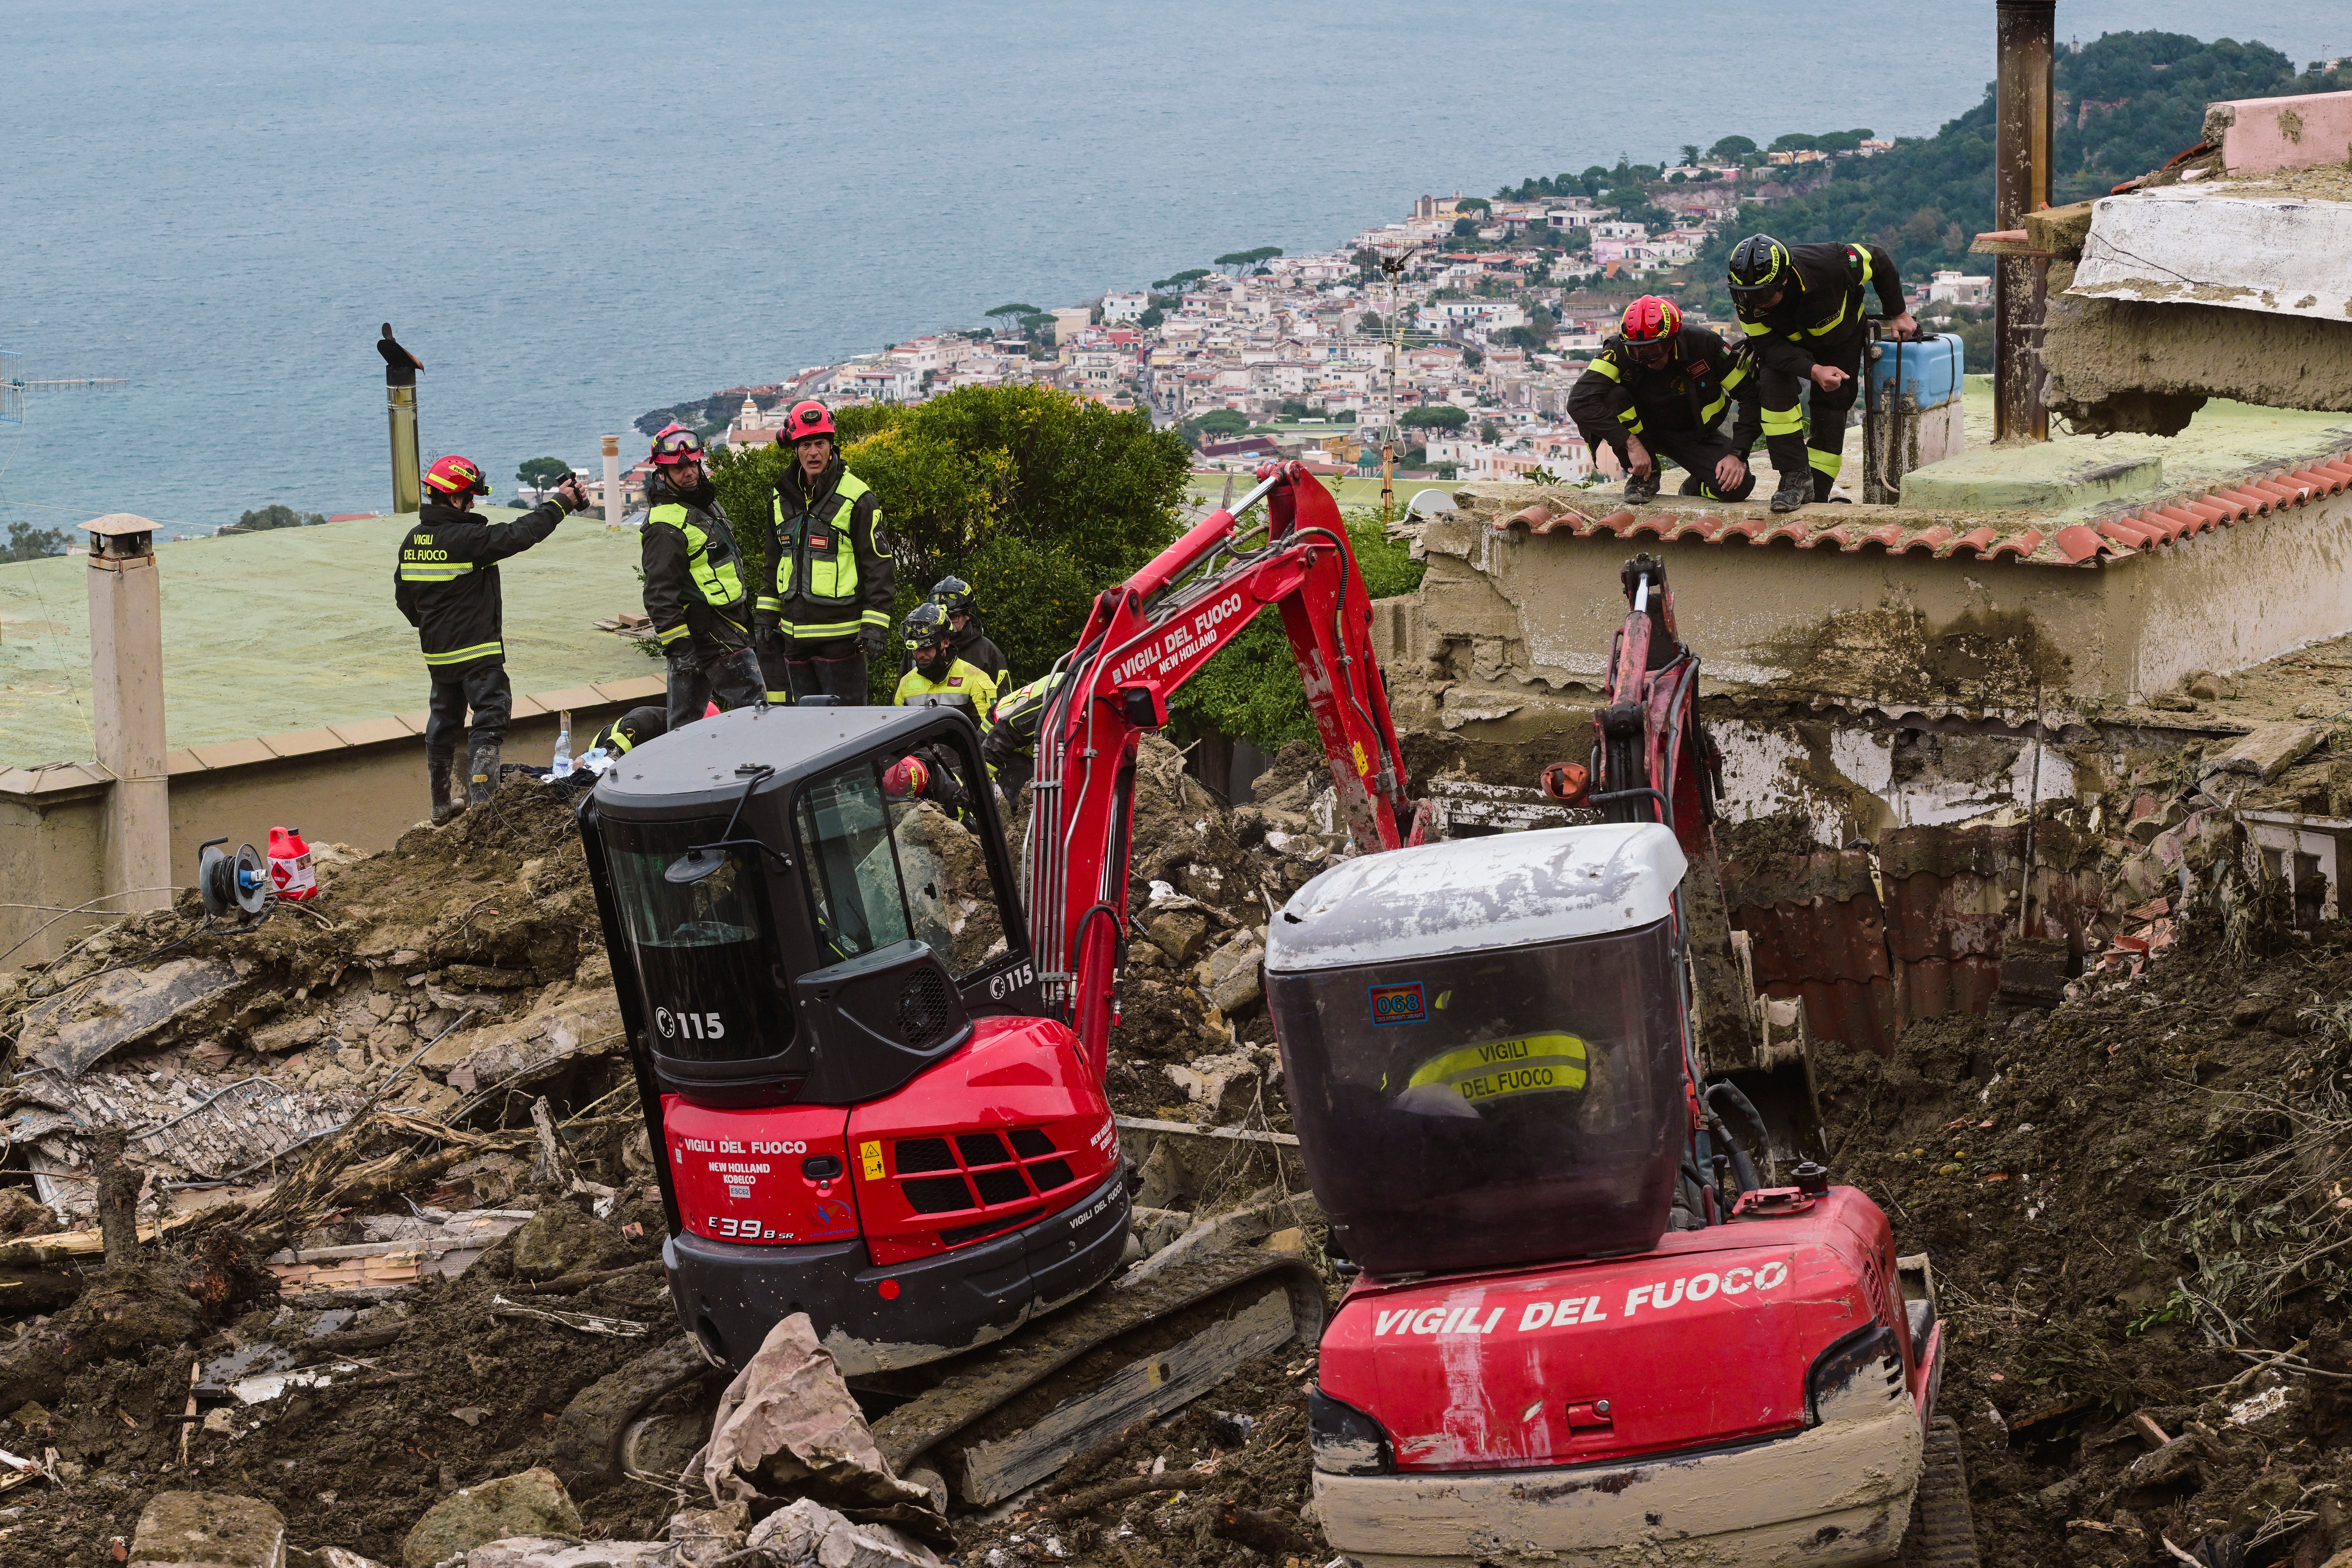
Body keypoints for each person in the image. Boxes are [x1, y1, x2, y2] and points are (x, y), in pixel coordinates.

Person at [395, 453, 589, 823]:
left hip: (438, 654)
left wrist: (434, 629)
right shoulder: (467, 538)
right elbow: (520, 534)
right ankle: (483, 810)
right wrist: (561, 503)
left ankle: (441, 805)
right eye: (470, 497)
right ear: (455, 498)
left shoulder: (413, 540)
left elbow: (404, 598)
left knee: (443, 723)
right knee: (490, 719)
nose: (473, 504)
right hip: (478, 652)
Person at [1725, 234, 1917, 513]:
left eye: (1762, 295)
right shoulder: (1746, 296)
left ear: (1784, 281)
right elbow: (1767, 346)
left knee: (1833, 405)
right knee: (1772, 390)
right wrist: (1813, 370)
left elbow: (1879, 259)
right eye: (1747, 295)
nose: (1755, 302)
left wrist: (1898, 313)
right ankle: (1794, 478)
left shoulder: (1832, 263)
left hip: (1841, 338)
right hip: (1785, 346)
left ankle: (1819, 488)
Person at [754, 401, 895, 703]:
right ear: (795, 448)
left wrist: (875, 626)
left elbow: (879, 567)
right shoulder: (779, 499)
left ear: (831, 446)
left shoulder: (858, 497)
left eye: (820, 443)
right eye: (806, 445)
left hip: (842, 640)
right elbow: (773, 562)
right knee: (808, 726)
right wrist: (766, 616)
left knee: (847, 725)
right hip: (794, 640)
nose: (813, 453)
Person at [1566, 296, 1760, 505]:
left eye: (1654, 350)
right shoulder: (1617, 350)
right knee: (1611, 396)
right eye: (1636, 351)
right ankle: (1645, 476)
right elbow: (1579, 401)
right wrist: (1631, 444)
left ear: (1672, 340)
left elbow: (1751, 395)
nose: (1646, 360)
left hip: (1693, 432)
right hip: (1639, 434)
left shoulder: (1704, 344)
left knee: (1736, 487)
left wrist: (1737, 454)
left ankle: (1694, 487)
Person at [641, 424, 763, 730]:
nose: (689, 473)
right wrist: (680, 649)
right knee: (756, 711)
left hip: (717, 627)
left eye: (693, 464)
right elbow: (658, 594)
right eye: (679, 468)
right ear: (663, 472)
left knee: (684, 725)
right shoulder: (664, 527)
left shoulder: (704, 503)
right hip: (713, 633)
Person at [886, 602, 997, 821]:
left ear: (945, 642)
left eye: (926, 648)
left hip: (968, 781)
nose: (920, 655)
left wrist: (975, 783)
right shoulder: (906, 684)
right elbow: (895, 740)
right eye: (915, 649)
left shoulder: (976, 679)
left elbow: (990, 738)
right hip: (924, 779)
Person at [981, 668, 1063, 815]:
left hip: (1024, 740)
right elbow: (1003, 736)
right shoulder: (1060, 699)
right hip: (1000, 735)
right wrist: (979, 783)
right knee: (1027, 803)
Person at [930, 575, 1008, 684]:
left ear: (968, 613)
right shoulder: (919, 651)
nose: (947, 624)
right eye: (941, 618)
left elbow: (1004, 693)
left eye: (953, 618)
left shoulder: (988, 653)